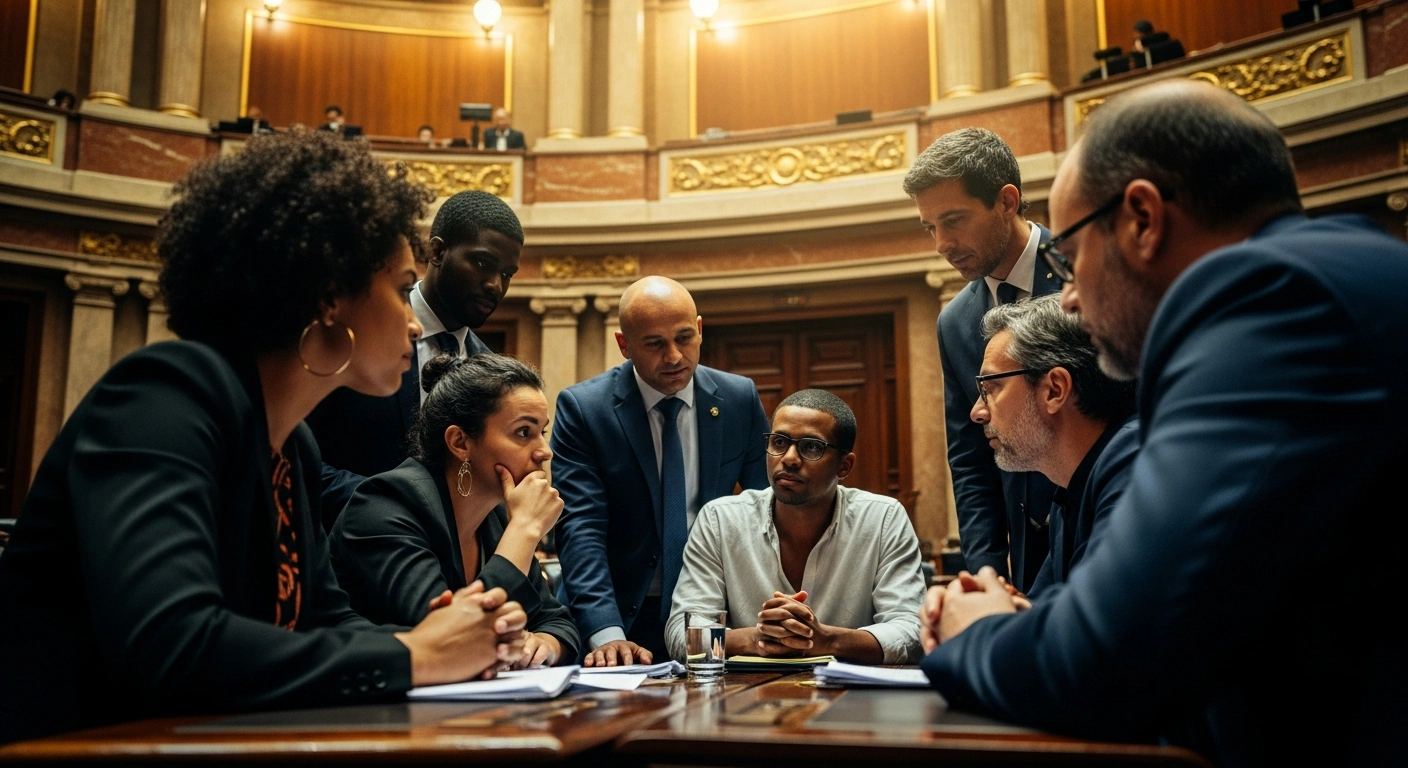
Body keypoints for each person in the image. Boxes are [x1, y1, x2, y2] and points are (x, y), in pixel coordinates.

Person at [918, 80, 1408, 765]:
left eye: (1073, 254)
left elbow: (1106, 662)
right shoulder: (1341, 266)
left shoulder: (1271, 309)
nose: (1068, 298)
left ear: (1142, 218)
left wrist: (974, 631)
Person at [0, 131, 527, 746]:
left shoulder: (293, 443)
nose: (413, 320)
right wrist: (412, 656)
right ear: (331, 296)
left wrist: (457, 636)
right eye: (397, 286)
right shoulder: (159, 398)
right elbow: (172, 643)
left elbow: (321, 619)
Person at [553, 276, 770, 666]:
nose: (673, 356)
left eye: (684, 338)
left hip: (711, 614)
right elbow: (580, 527)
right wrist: (605, 632)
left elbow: (768, 514)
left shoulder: (739, 399)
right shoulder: (584, 409)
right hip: (619, 618)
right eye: (654, 343)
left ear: (700, 330)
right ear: (624, 345)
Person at [332, 354, 579, 669]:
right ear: (460, 442)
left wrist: (544, 645)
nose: (545, 451)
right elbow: (453, 634)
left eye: (541, 432)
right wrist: (525, 530)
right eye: (523, 433)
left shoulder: (497, 519)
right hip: (363, 710)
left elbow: (557, 621)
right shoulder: (384, 505)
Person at [902, 128, 1061, 593]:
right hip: (1025, 563)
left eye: (954, 220)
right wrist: (987, 574)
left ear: (1007, 202)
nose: (942, 244)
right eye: (931, 227)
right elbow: (971, 458)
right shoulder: (955, 323)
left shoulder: (1085, 277)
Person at [305, 190, 523, 528]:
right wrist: (397, 507)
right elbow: (297, 460)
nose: (496, 285)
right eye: (482, 264)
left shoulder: (490, 368)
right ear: (437, 251)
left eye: (507, 273)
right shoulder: (360, 332)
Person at [666, 390, 925, 665]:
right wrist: (755, 639)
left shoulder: (883, 519)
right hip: (746, 699)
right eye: (779, 442)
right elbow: (681, 636)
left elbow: (912, 631)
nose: (789, 458)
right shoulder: (720, 520)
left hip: (851, 698)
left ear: (844, 466)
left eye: (811, 447)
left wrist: (826, 640)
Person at [961, 294, 1136, 603]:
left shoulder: (1134, 473)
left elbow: (1093, 634)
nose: (978, 411)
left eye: (990, 387)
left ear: (1054, 390)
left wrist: (986, 624)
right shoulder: (1068, 491)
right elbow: (1047, 613)